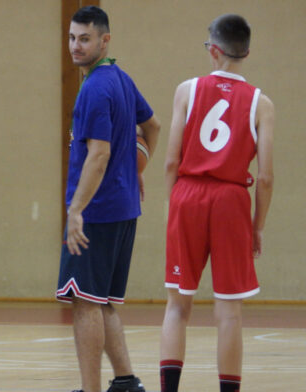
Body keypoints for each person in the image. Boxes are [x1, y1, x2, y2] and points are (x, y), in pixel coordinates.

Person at [160, 14, 274, 392]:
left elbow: (172, 161)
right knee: (229, 313)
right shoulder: (262, 103)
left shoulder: (186, 90)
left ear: (213, 50)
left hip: (189, 194)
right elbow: (267, 176)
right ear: (246, 52)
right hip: (231, 201)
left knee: (178, 306)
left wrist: (171, 204)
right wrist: (256, 227)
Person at [56, 6, 160, 392]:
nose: (75, 46)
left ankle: (90, 389)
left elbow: (98, 154)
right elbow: (153, 126)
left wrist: (76, 210)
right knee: (102, 301)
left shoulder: (96, 87)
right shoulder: (120, 77)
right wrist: (136, 171)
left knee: (84, 302)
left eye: (84, 38)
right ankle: (126, 381)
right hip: (123, 207)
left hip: (96, 212)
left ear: (105, 40)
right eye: (71, 37)